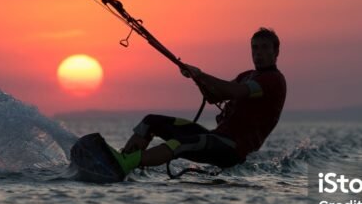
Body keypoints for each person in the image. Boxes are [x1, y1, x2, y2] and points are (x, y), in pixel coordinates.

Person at [108, 27, 287, 177]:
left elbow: (234, 91)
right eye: (255, 48)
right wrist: (196, 78)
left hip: (231, 150)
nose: (258, 53)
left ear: (276, 52)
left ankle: (124, 164)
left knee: (179, 143)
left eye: (264, 48)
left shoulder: (273, 80)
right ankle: (123, 161)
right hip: (217, 138)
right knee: (151, 121)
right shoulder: (247, 75)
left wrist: (200, 74)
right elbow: (214, 96)